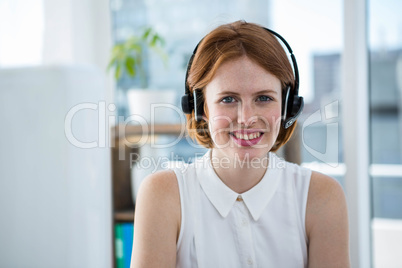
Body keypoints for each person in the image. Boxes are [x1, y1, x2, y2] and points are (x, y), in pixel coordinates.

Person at [131, 21, 350, 268]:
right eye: (228, 99)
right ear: (201, 107)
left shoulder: (321, 198)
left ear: (288, 106)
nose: (246, 118)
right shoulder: (163, 196)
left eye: (264, 98)